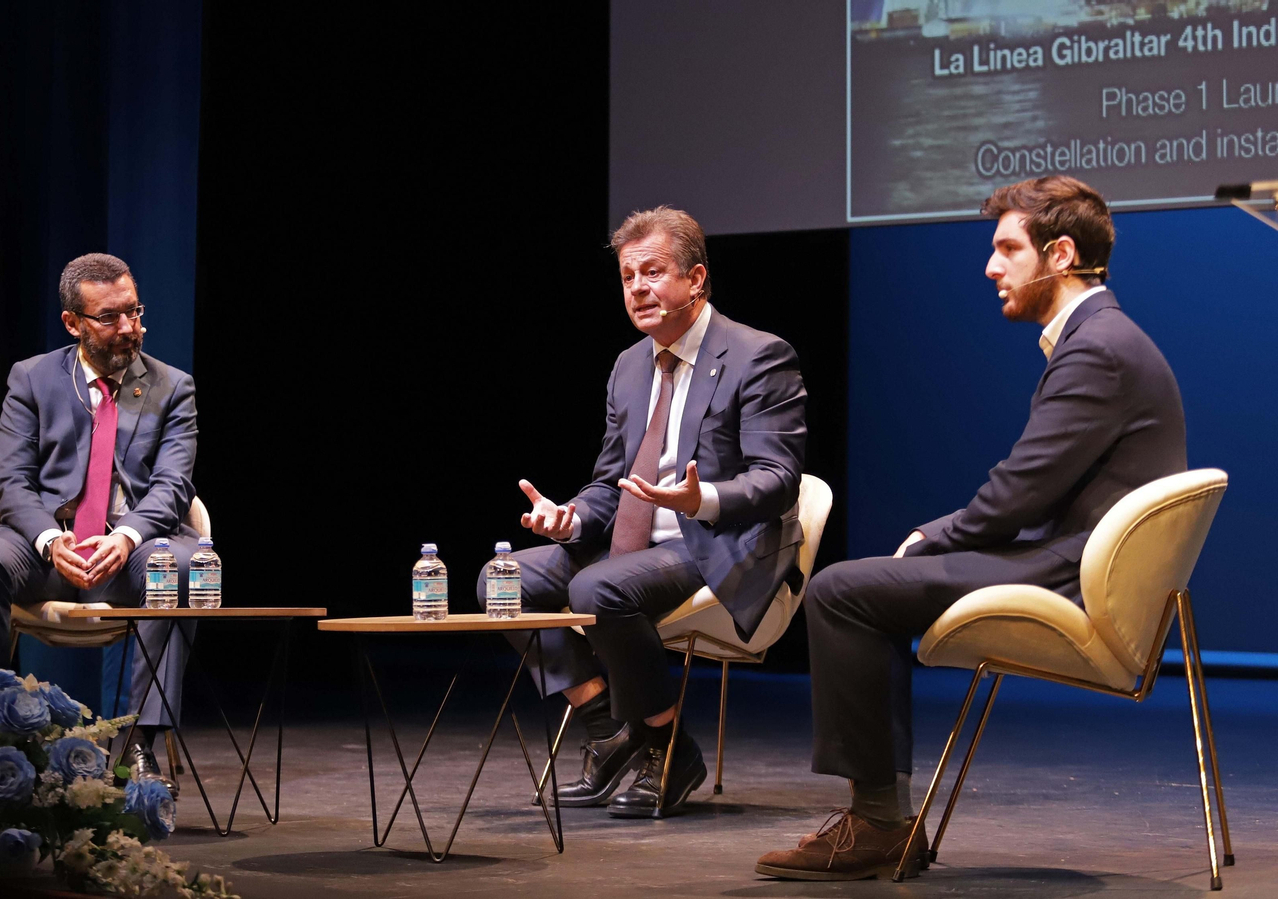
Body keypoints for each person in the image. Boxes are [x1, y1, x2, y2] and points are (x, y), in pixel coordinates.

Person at [756, 175, 1187, 880]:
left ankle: (878, 824)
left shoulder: (1097, 348)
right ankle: (881, 816)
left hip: (1074, 572)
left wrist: (935, 535)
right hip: (1071, 555)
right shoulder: (1102, 338)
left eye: (1007, 248)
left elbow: (1017, 494)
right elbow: (1032, 492)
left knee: (840, 590)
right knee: (861, 586)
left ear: (1061, 254)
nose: (991, 266)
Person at [492, 206, 807, 818]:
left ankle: (667, 749)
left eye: (654, 272)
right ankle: (612, 734)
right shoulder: (629, 365)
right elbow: (611, 482)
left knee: (596, 587)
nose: (638, 288)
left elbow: (778, 479)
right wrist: (574, 517)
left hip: (713, 540)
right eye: (628, 277)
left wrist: (703, 499)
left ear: (696, 279)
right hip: (629, 545)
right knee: (500, 580)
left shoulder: (759, 355)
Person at [0, 252, 200, 795]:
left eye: (134, 312)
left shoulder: (172, 387)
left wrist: (129, 533)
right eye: (109, 318)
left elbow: (174, 485)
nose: (128, 328)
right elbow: (10, 480)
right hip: (46, 547)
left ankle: (140, 745)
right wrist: (47, 537)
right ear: (73, 323)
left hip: (129, 552)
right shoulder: (33, 379)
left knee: (177, 563)